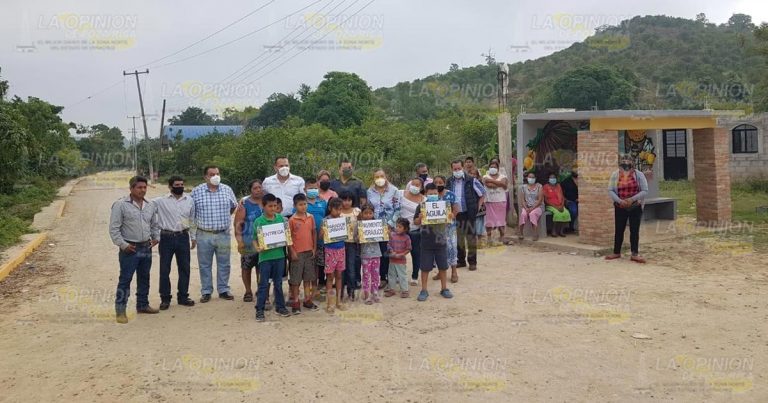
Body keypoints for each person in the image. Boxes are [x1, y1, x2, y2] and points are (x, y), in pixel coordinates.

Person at [109, 176, 160, 323]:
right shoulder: (121, 205)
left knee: (144, 277)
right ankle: (120, 310)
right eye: (139, 187)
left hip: (146, 246)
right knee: (125, 279)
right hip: (130, 248)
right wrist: (123, 245)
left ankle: (143, 305)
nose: (142, 190)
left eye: (145, 187)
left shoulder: (150, 205)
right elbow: (114, 229)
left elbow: (154, 224)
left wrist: (156, 237)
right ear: (131, 188)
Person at [191, 165, 237, 302]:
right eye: (211, 174)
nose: (215, 176)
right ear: (205, 177)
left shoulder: (227, 189)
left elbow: (233, 206)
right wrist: (193, 235)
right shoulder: (196, 191)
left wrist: (222, 221)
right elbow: (191, 214)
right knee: (205, 264)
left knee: (224, 263)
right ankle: (206, 291)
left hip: (223, 233)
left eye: (217, 173)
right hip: (204, 234)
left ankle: (223, 289)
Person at [152, 175, 196, 310]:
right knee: (165, 269)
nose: (180, 187)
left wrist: (193, 237)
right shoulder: (160, 201)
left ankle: (183, 296)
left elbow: (192, 219)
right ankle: (165, 298)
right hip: (166, 237)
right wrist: (154, 234)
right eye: (176, 185)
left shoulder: (189, 200)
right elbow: (145, 207)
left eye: (181, 184)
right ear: (170, 187)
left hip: (183, 236)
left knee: (185, 268)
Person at [252, 194, 291, 321]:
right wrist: (257, 248)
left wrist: (287, 240)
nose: (273, 208)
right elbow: (254, 239)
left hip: (279, 256)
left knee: (278, 283)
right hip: (265, 258)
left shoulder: (281, 219)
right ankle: (260, 309)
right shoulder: (259, 221)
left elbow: (287, 236)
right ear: (263, 206)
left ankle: (280, 307)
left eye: (275, 205)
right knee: (263, 284)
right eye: (270, 206)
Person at [414, 183, 454, 301]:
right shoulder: (421, 206)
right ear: (426, 194)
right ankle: (424, 290)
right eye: (430, 194)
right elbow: (415, 222)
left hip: (441, 241)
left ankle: (444, 289)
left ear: (438, 193)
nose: (433, 195)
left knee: (443, 266)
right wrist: (420, 218)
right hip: (426, 242)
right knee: (425, 267)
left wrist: (450, 216)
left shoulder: (444, 205)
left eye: (435, 193)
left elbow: (448, 222)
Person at [606, 154, 648, 263]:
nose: (625, 162)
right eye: (623, 160)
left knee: (634, 230)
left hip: (635, 206)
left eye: (628, 160)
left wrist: (632, 199)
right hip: (620, 206)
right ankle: (616, 252)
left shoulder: (639, 175)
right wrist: (620, 201)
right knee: (619, 229)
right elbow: (610, 190)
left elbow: (644, 190)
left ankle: (634, 254)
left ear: (633, 163)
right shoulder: (615, 175)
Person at [446, 160, 485, 271]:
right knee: (458, 238)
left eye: (459, 168)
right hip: (455, 214)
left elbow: (482, 193)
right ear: (452, 169)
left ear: (462, 168)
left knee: (471, 237)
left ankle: (472, 262)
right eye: (455, 169)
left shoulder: (471, 180)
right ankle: (461, 261)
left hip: (469, 212)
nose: (457, 171)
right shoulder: (449, 182)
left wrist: (477, 207)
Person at [366, 168, 400, 287]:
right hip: (375, 228)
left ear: (386, 177)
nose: (379, 179)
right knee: (380, 252)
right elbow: (368, 209)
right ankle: (382, 277)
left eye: (382, 176)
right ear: (373, 178)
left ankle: (394, 276)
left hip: (390, 227)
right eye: (377, 177)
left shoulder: (394, 190)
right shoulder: (369, 192)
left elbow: (398, 209)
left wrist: (391, 224)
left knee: (390, 251)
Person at [288, 193, 318, 314]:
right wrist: (292, 252)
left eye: (305, 204)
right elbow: (288, 237)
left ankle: (307, 300)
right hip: (297, 253)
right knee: (295, 280)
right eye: (300, 204)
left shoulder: (311, 217)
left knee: (308, 278)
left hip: (309, 252)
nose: (303, 206)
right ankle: (295, 302)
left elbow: (314, 233)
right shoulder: (292, 220)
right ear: (295, 206)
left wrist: (314, 248)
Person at [233, 179, 263, 303]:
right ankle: (248, 291)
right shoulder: (244, 204)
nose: (258, 190)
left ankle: (261, 289)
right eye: (255, 188)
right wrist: (239, 241)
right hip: (248, 241)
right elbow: (237, 224)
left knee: (261, 268)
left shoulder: (267, 202)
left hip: (264, 242)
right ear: (250, 190)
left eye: (259, 187)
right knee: (247, 267)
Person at [396, 177, 424, 286]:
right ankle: (397, 275)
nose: (415, 186)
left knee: (416, 253)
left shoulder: (424, 200)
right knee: (398, 252)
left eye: (418, 185)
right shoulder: (400, 193)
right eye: (413, 184)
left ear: (421, 187)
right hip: (399, 229)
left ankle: (415, 276)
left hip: (415, 230)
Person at [304, 178, 328, 302]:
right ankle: (308, 291)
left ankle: (316, 289)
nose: (313, 190)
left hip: (320, 241)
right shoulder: (302, 204)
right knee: (308, 266)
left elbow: (327, 218)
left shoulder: (323, 202)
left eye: (315, 188)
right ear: (304, 189)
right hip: (306, 242)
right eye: (310, 188)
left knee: (318, 265)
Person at [322, 197, 348, 313]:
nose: (338, 212)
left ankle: (338, 301)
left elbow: (348, 234)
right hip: (329, 251)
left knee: (339, 276)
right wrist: (323, 231)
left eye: (340, 209)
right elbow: (320, 237)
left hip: (341, 250)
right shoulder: (325, 221)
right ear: (330, 208)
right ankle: (330, 302)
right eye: (336, 209)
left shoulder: (343, 220)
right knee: (330, 277)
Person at [433, 175, 460, 283]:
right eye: (436, 182)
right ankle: (441, 271)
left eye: (440, 182)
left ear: (444, 183)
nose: (438, 184)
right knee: (439, 250)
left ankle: (454, 272)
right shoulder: (431, 196)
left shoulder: (451, 195)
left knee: (452, 248)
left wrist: (451, 216)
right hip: (436, 229)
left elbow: (456, 209)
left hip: (449, 228)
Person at [358, 203, 382, 304]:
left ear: (373, 213)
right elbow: (355, 238)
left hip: (376, 253)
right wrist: (359, 236)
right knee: (366, 275)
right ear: (362, 214)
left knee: (376, 274)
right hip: (365, 254)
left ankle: (375, 292)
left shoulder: (377, 224)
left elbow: (383, 236)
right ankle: (367, 294)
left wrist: (385, 232)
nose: (368, 215)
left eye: (370, 213)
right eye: (365, 213)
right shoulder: (359, 225)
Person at [339, 190, 361, 302]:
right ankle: (340, 290)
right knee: (341, 269)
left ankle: (351, 290)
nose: (347, 202)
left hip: (352, 244)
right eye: (344, 200)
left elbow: (363, 225)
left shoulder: (357, 212)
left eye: (349, 200)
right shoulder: (338, 212)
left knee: (351, 268)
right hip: (339, 244)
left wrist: (360, 236)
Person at [483, 160, 509, 245]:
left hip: (501, 201)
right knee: (489, 221)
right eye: (491, 167)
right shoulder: (485, 176)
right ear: (489, 168)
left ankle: (502, 236)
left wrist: (494, 182)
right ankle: (489, 238)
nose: (493, 168)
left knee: (501, 220)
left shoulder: (503, 176)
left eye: (494, 167)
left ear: (498, 168)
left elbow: (505, 185)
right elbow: (488, 185)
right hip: (489, 201)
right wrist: (500, 183)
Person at [387, 218, 412, 298]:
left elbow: (408, 248)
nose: (397, 228)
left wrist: (401, 254)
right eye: (397, 226)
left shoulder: (407, 237)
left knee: (402, 275)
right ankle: (391, 289)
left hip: (401, 261)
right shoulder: (392, 235)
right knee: (391, 275)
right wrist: (391, 251)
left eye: (400, 227)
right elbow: (388, 244)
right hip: (392, 260)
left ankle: (405, 290)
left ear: (405, 229)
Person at [543, 172, 571, 237]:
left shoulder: (558, 186)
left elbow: (562, 197)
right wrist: (555, 207)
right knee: (557, 214)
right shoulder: (545, 187)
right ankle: (554, 231)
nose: (553, 179)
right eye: (551, 178)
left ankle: (561, 231)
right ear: (548, 179)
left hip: (560, 205)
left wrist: (562, 205)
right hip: (550, 205)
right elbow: (546, 200)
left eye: (554, 178)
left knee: (566, 213)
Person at [518, 171, 544, 241]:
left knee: (533, 214)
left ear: (535, 178)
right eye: (529, 177)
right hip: (527, 207)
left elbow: (540, 200)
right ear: (527, 178)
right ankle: (520, 232)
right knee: (523, 214)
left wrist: (532, 208)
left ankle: (535, 233)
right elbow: (522, 200)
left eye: (533, 177)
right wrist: (526, 208)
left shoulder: (539, 186)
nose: (531, 179)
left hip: (537, 207)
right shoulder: (523, 187)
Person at [468, 166, 487, 247]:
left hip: (479, 206)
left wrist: (479, 205)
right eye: (470, 174)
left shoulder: (478, 182)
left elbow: (483, 193)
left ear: (477, 175)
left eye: (474, 174)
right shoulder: (467, 183)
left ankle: (479, 241)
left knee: (479, 223)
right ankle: (474, 241)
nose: (472, 175)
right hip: (470, 206)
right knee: (472, 223)